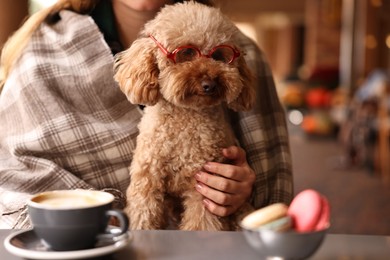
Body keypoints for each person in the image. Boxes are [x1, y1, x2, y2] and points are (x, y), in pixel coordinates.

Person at [0, 0, 293, 229]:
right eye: (185, 54)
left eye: (217, 56)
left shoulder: (243, 52)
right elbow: (14, 180)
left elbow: (271, 205)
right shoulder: (38, 57)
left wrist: (239, 192)